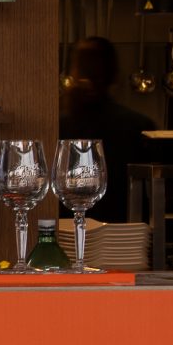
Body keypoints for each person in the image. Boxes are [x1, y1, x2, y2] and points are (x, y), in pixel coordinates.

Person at [59, 35, 150, 221]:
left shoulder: (59, 127)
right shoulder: (139, 126)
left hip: (68, 232)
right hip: (126, 232)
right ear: (114, 75)